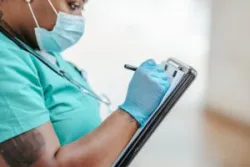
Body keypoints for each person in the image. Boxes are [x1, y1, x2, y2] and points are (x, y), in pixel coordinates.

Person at [0, 0, 170, 166]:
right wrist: (133, 111)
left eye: (82, 8)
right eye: (73, 5)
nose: (79, 19)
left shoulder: (42, 51)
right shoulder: (5, 60)